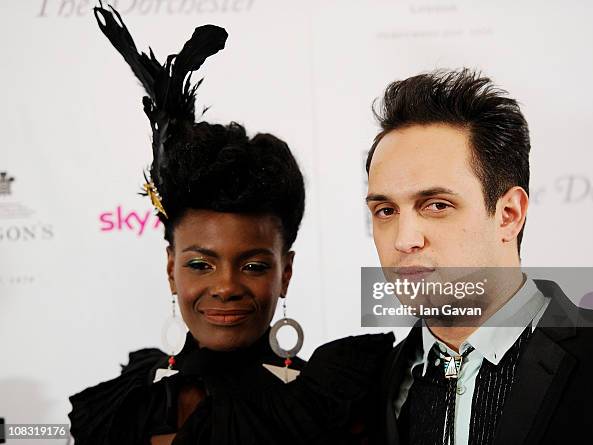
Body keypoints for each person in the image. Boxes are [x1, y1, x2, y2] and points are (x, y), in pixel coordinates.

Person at [68, 4, 393, 444]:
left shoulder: (332, 403)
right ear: (171, 269)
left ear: (286, 273)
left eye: (254, 265)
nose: (225, 286)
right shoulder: (127, 403)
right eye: (200, 264)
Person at [364, 69, 593, 444]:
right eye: (385, 210)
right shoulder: (371, 383)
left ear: (508, 215)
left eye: (436, 205)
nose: (404, 240)